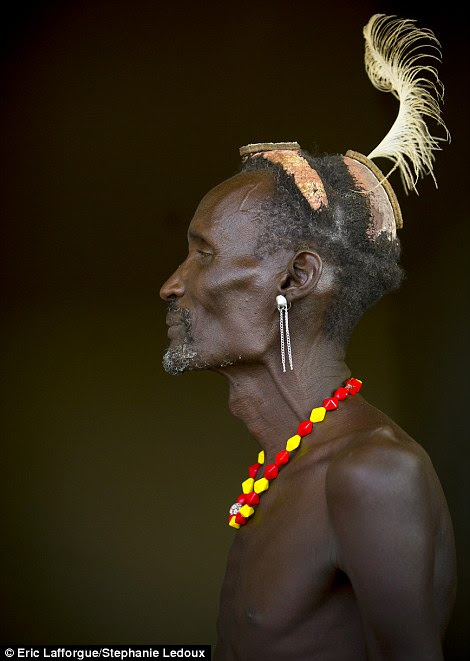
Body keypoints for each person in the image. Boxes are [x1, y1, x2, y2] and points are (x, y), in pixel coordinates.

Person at [159, 14, 456, 661]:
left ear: (295, 277)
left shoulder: (371, 474)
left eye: (203, 254)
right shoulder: (285, 467)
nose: (171, 286)